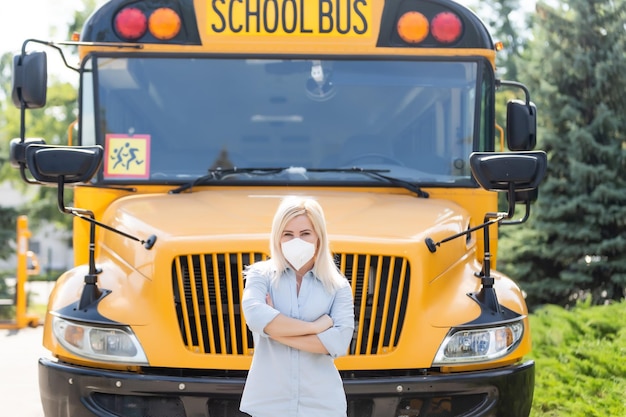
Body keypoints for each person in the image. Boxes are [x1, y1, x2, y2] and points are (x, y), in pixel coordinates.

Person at [240, 196, 355, 417]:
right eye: (288, 234)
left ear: (318, 237)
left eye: (305, 234)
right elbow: (254, 316)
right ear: (277, 237)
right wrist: (316, 328)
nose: (296, 241)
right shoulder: (260, 275)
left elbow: (339, 343)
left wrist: (273, 330)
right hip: (269, 403)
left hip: (322, 405)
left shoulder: (338, 286)